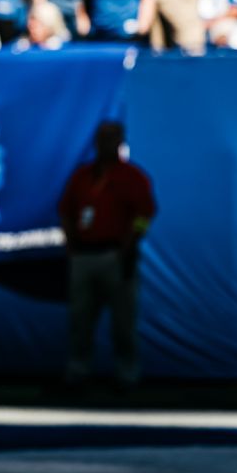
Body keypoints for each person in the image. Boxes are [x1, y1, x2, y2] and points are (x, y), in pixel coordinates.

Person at [58, 121, 155, 389]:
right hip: (84, 255)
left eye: (112, 138)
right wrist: (71, 244)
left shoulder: (132, 177)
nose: (106, 143)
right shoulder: (82, 176)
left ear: (120, 141)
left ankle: (127, 375)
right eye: (102, 137)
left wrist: (130, 243)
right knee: (80, 320)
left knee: (123, 322)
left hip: (116, 255)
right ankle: (77, 373)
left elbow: (144, 215)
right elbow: (65, 210)